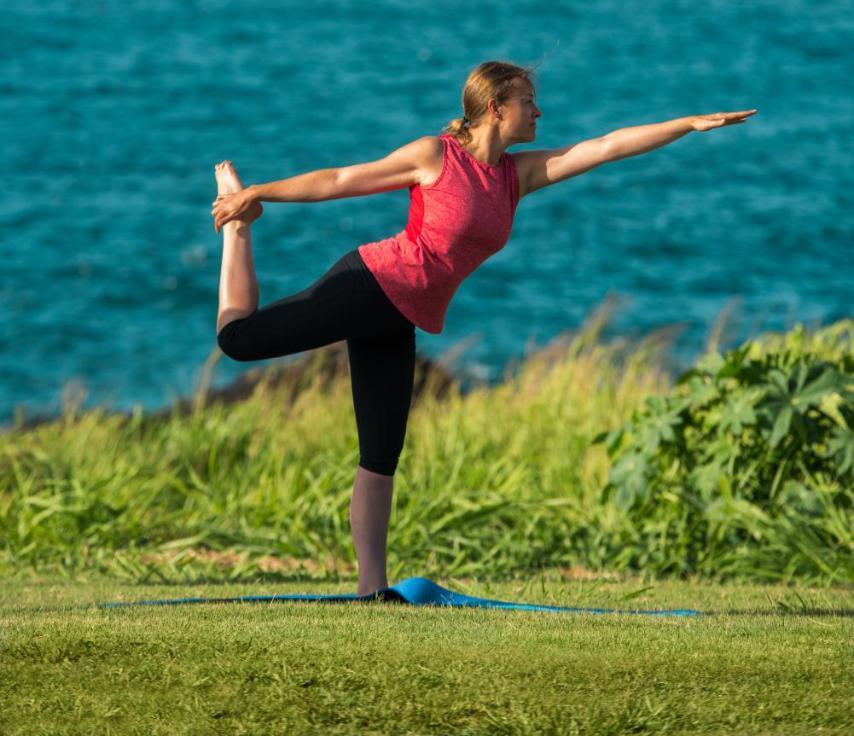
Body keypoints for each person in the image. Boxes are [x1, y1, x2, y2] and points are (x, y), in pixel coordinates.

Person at [211, 58, 757, 596]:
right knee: (238, 341)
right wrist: (256, 193)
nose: (539, 112)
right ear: (496, 108)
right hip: (369, 284)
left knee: (381, 454)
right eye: (528, 102)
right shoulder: (435, 157)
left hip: (400, 315)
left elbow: (604, 147)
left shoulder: (513, 177)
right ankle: (238, 231)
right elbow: (340, 179)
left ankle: (370, 589)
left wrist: (685, 125)